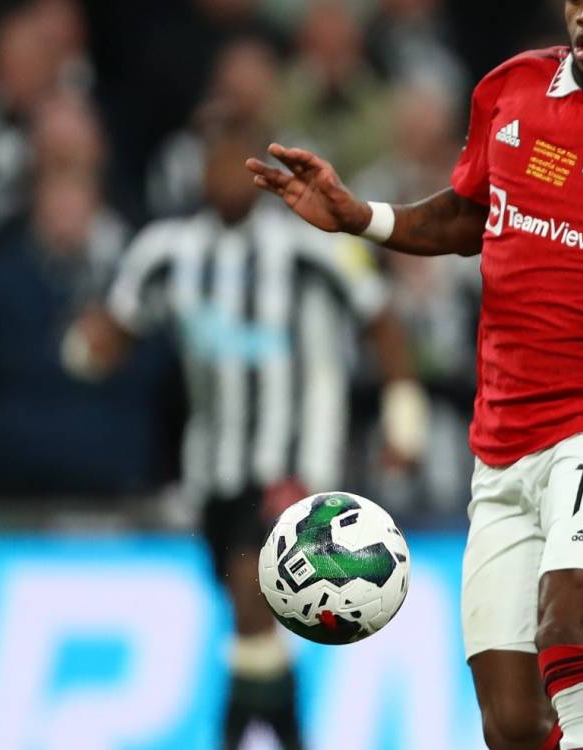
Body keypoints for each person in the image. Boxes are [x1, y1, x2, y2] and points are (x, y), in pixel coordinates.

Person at [244, 1, 583, 748]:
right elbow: (473, 215)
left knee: (569, 621)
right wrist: (361, 216)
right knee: (516, 728)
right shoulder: (511, 87)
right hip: (500, 445)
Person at [62, 115, 428, 750]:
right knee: (252, 625)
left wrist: (404, 417)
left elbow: (381, 321)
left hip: (295, 461)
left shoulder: (312, 246)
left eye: (239, 158)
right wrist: (84, 348)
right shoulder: (169, 251)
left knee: (251, 593)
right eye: (216, 158)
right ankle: (288, 734)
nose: (227, 172)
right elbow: (114, 330)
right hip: (214, 466)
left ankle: (234, 738)